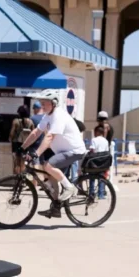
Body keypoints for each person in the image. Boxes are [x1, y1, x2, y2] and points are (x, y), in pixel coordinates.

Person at [19, 89, 87, 219]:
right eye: (41, 103)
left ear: (54, 103)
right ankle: (56, 207)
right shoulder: (47, 116)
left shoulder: (58, 115)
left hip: (74, 150)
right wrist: (22, 148)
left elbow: (49, 137)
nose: (42, 106)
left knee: (48, 165)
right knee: (51, 176)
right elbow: (35, 133)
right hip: (62, 152)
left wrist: (36, 153)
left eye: (45, 103)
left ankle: (69, 188)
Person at [9, 105, 34, 174]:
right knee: (23, 161)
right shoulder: (30, 122)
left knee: (16, 161)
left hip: (16, 144)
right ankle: (23, 177)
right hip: (26, 144)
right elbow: (33, 133)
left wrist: (10, 139)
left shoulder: (16, 121)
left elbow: (12, 133)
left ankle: (17, 178)